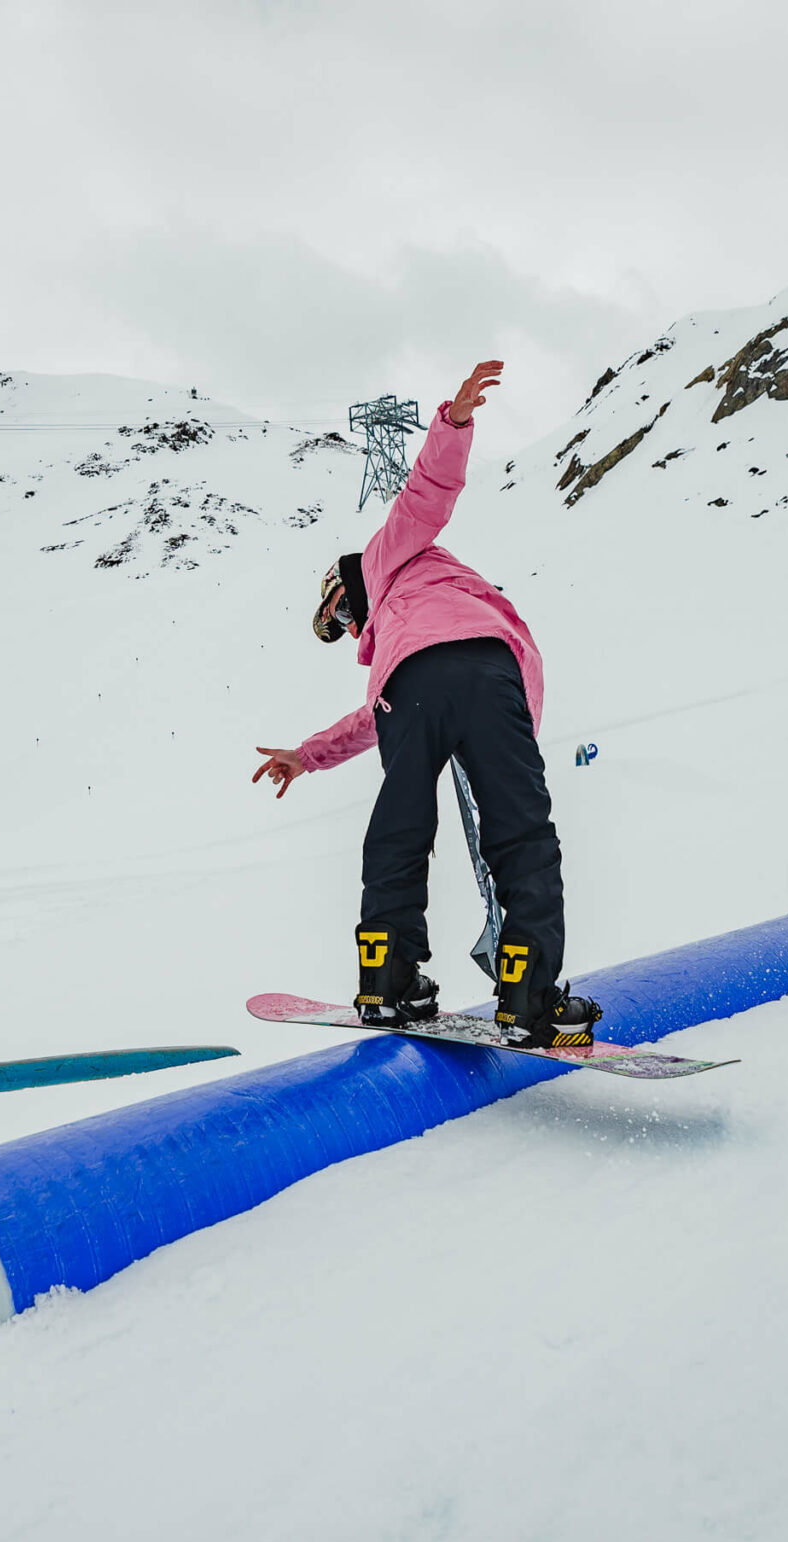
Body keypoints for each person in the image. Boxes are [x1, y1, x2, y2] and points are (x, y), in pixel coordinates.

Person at [251, 359, 600, 1049]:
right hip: (480, 680)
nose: (351, 626)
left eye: (343, 610)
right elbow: (369, 720)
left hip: (436, 682)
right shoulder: (398, 635)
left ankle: (387, 981)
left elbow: (426, 496)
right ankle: (527, 996)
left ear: (352, 581)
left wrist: (454, 422)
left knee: (400, 828)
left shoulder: (387, 558)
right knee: (514, 832)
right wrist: (307, 755)